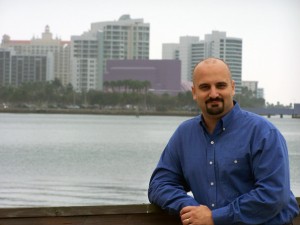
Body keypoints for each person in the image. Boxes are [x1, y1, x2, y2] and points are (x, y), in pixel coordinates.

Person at [148, 57, 299, 225]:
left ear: (233, 88)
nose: (213, 94)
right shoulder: (184, 135)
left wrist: (215, 217)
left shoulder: (264, 133)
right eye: (205, 87)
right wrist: (191, 209)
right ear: (194, 92)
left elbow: (274, 195)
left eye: (220, 85)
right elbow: (159, 185)